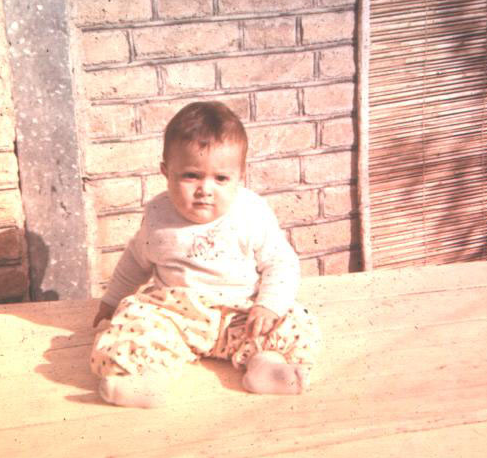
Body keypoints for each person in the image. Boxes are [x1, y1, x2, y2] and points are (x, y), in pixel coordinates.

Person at [91, 101, 322, 407]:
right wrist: (111, 300)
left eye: (221, 179)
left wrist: (268, 305)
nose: (205, 189)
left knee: (292, 322)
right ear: (166, 172)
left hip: (242, 313)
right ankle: (147, 377)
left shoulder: (251, 212)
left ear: (240, 176)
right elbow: (135, 260)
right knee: (135, 324)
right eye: (191, 175)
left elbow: (281, 262)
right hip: (176, 314)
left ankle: (266, 366)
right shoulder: (158, 214)